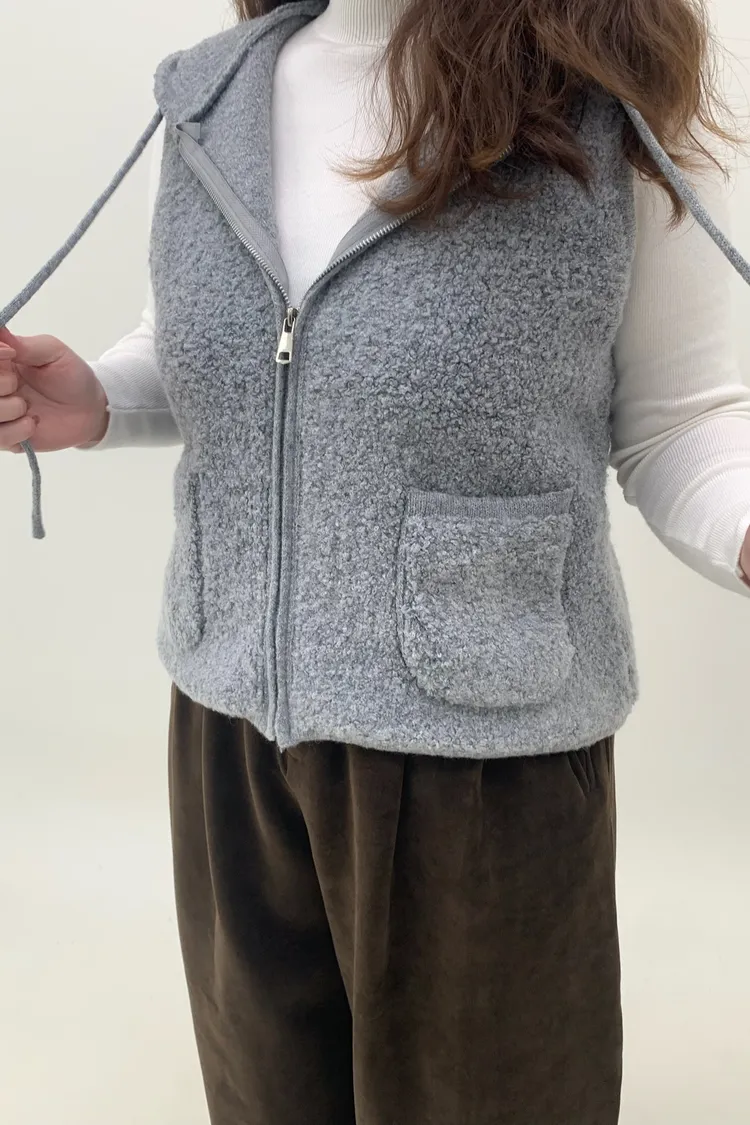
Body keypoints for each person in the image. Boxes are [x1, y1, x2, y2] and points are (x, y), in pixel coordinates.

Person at [2, 0, 750, 1121]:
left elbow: (678, 417)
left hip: (484, 760)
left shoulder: (609, 101)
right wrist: (100, 397)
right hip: (229, 736)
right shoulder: (211, 92)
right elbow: (232, 341)